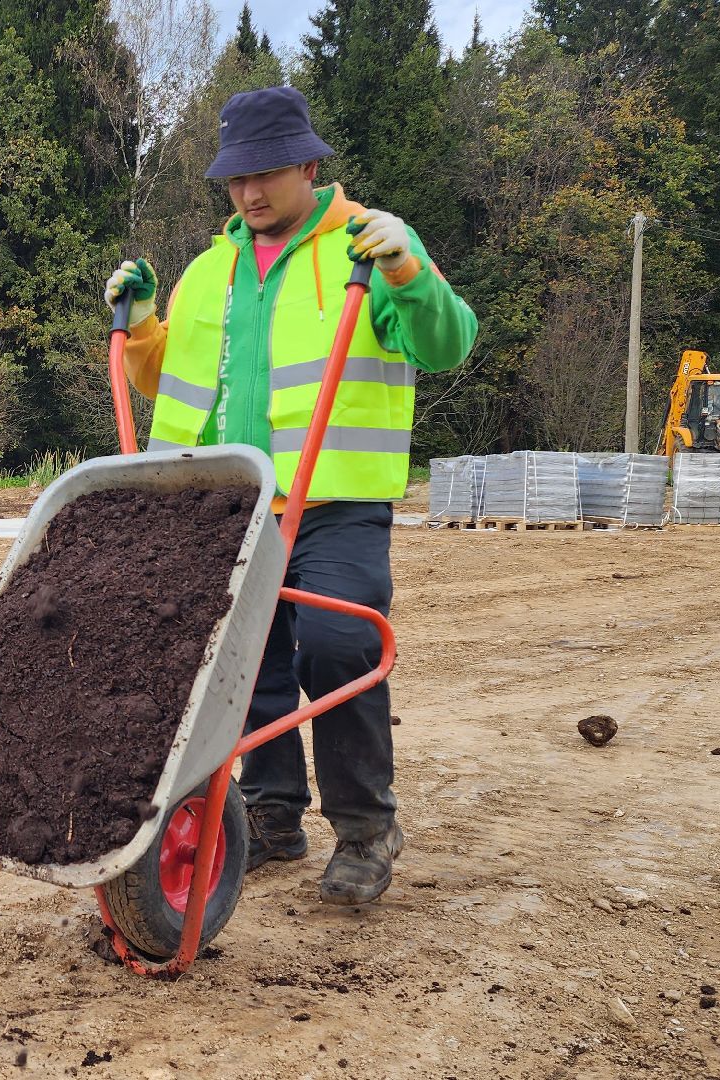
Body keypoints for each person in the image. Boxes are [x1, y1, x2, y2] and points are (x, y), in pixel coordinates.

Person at [103, 86, 478, 905]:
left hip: (336, 501)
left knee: (340, 649)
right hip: (229, 508)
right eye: (236, 178)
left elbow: (449, 341)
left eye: (266, 173)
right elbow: (182, 384)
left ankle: (367, 829)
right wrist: (140, 330)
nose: (249, 193)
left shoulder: (367, 248)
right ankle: (271, 813)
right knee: (246, 661)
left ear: (310, 164)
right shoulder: (207, 276)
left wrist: (408, 268)